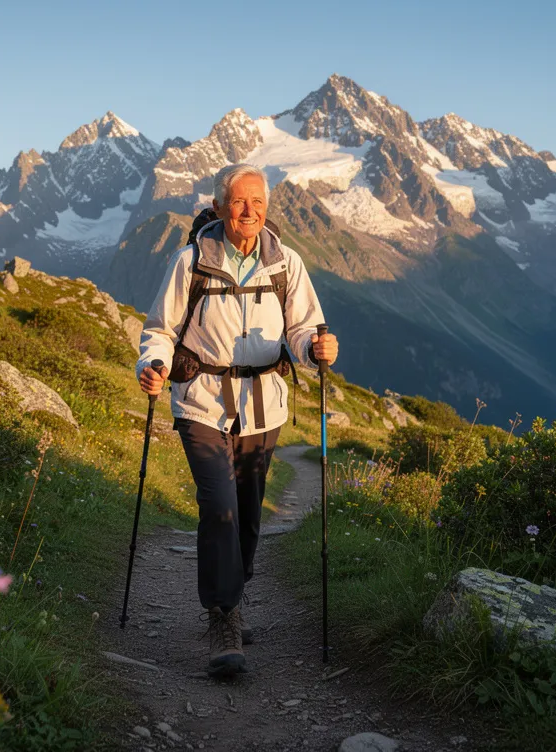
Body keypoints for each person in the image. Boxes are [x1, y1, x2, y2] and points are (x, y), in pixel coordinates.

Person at [136, 163, 338, 677]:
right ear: (221, 206)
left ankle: (235, 590)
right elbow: (160, 328)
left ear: (267, 209)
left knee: (248, 513)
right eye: (240, 202)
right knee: (220, 505)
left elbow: (302, 327)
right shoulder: (192, 262)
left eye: (259, 203)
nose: (250, 211)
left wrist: (316, 349)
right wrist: (152, 365)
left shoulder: (286, 264)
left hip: (264, 408)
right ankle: (222, 617)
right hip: (201, 402)